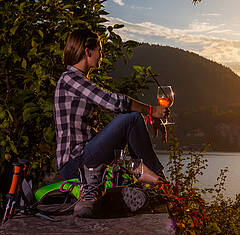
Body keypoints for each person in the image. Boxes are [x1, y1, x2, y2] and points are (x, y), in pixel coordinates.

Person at [54, 29, 168, 218]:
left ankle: (148, 183)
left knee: (132, 120)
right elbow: (114, 102)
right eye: (99, 48)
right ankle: (158, 183)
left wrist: (148, 115)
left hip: (87, 159)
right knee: (131, 118)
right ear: (87, 51)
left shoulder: (77, 80)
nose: (101, 54)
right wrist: (152, 111)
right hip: (76, 163)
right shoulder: (70, 79)